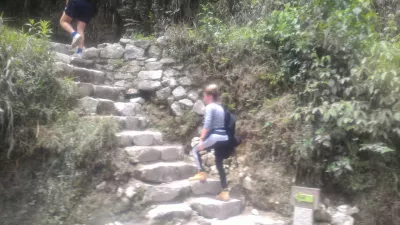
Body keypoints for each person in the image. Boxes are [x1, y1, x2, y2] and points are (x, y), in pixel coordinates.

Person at [188, 84, 231, 202]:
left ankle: (201, 172)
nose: (203, 98)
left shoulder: (210, 107)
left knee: (195, 150)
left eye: (204, 96)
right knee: (219, 164)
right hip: (224, 138)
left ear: (209, 96)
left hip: (215, 137)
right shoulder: (220, 107)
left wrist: (201, 140)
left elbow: (207, 125)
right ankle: (224, 192)